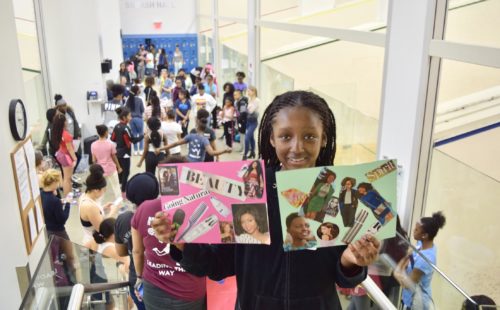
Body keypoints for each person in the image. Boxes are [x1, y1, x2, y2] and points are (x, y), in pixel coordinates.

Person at [152, 90, 380, 310]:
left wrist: (351, 261)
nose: (297, 148)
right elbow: (218, 265)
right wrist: (182, 242)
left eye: (309, 136)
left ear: (323, 139)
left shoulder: (337, 192)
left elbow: (344, 279)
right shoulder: (248, 188)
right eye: (285, 136)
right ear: (272, 139)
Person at [131, 157, 207, 310]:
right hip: (189, 289)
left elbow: (137, 251)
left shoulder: (144, 208)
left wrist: (139, 277)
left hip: (154, 287)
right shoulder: (202, 209)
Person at [115, 172, 161, 310]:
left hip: (138, 281)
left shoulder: (123, 219)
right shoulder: (163, 216)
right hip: (164, 279)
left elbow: (121, 251)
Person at [395, 212, 446, 310]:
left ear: (425, 235)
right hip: (409, 298)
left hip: (417, 304)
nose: (413, 231)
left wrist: (397, 271)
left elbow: (407, 284)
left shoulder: (425, 259)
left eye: (416, 229)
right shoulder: (421, 244)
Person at [160, 109, 231, 162]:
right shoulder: (209, 133)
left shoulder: (192, 132)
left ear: (197, 119)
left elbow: (178, 144)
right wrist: (219, 155)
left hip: (193, 160)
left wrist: (162, 148)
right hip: (207, 159)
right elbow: (213, 148)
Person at [79, 164, 119, 247]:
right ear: (96, 190)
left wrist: (102, 207)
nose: (104, 192)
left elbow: (90, 216)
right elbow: (103, 230)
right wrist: (112, 212)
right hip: (94, 243)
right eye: (104, 190)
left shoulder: (84, 196)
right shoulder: (90, 207)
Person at [111, 107, 144, 195]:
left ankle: (119, 187)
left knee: (120, 170)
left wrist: (120, 141)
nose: (131, 118)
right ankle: (123, 191)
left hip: (118, 152)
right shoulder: (126, 128)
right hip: (125, 153)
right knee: (126, 172)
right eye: (129, 116)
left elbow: (112, 138)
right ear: (124, 117)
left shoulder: (116, 126)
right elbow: (133, 140)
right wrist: (142, 136)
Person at [91, 125, 122, 202]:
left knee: (101, 188)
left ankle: (98, 205)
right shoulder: (110, 144)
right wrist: (119, 167)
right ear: (105, 133)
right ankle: (119, 204)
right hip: (111, 168)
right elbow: (114, 157)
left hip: (100, 170)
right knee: (116, 187)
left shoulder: (93, 145)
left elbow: (94, 160)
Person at [51, 113, 77, 197]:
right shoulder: (66, 134)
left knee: (66, 178)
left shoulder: (57, 132)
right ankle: (67, 198)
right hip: (67, 156)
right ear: (63, 122)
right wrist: (75, 158)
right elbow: (70, 149)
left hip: (61, 154)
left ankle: (69, 196)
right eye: (65, 120)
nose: (66, 121)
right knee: (67, 179)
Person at [40, 169, 72, 240]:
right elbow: (62, 220)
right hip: (58, 231)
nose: (58, 184)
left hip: (47, 229)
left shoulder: (41, 194)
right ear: (54, 182)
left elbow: (48, 206)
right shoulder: (55, 201)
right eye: (58, 182)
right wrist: (68, 203)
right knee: (68, 250)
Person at [54, 94, 82, 172]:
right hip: (65, 141)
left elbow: (75, 122)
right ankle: (70, 174)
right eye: (62, 106)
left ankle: (71, 173)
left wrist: (78, 134)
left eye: (65, 105)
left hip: (74, 139)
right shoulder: (57, 116)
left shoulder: (70, 112)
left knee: (78, 156)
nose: (64, 107)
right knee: (69, 161)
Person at [126, 85, 145, 156]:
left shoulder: (128, 100)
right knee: (141, 134)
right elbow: (142, 110)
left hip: (131, 119)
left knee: (134, 135)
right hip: (139, 118)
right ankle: (141, 150)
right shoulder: (140, 99)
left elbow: (126, 109)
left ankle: (135, 150)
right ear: (137, 91)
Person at [243, 86, 260, 160]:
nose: (248, 92)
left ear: (253, 91)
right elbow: (246, 110)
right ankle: (253, 152)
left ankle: (245, 155)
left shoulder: (257, 100)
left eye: (249, 91)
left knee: (246, 138)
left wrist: (247, 109)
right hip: (248, 121)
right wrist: (247, 109)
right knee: (251, 138)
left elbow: (250, 111)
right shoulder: (249, 99)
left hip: (253, 122)